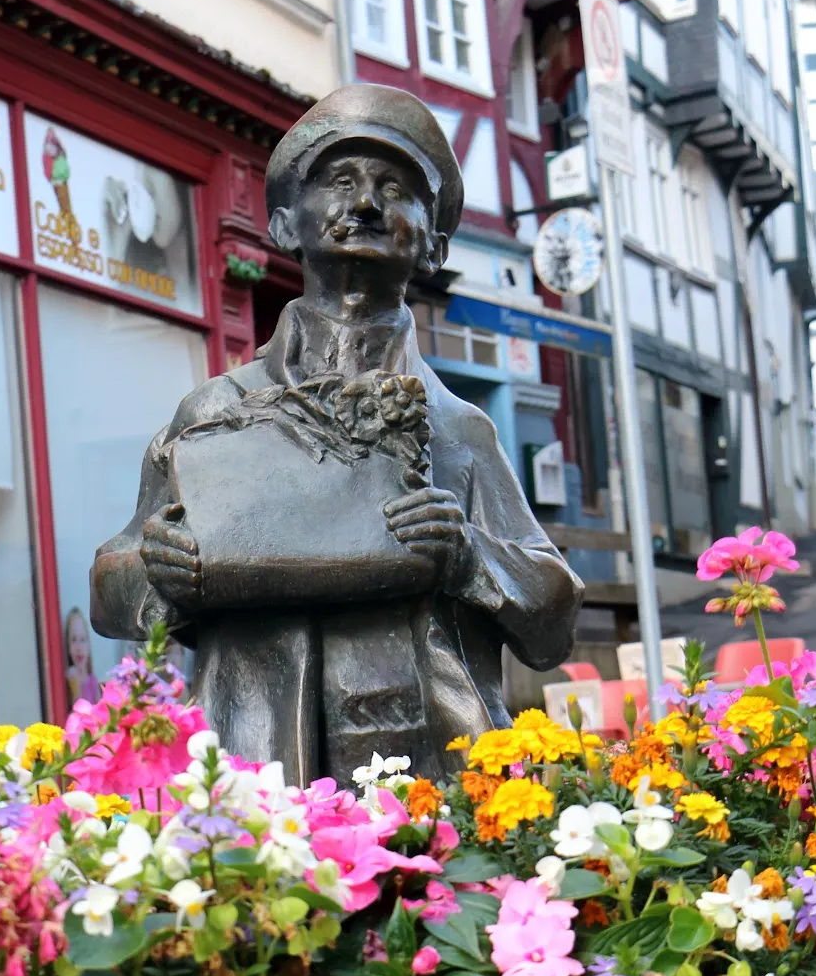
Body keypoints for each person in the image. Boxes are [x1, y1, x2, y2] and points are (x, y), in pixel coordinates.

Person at [91, 84, 582, 784]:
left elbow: (552, 622)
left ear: (434, 245)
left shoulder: (461, 431)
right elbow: (112, 587)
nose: (364, 205)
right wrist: (156, 568)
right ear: (287, 227)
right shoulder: (211, 415)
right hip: (259, 754)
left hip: (434, 767)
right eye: (340, 183)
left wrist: (468, 556)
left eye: (393, 188)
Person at [64, 606, 99, 705]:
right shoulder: (69, 678)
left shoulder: (92, 681)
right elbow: (76, 706)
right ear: (68, 646)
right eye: (74, 640)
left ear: (88, 646)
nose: (79, 647)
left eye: (83, 640)